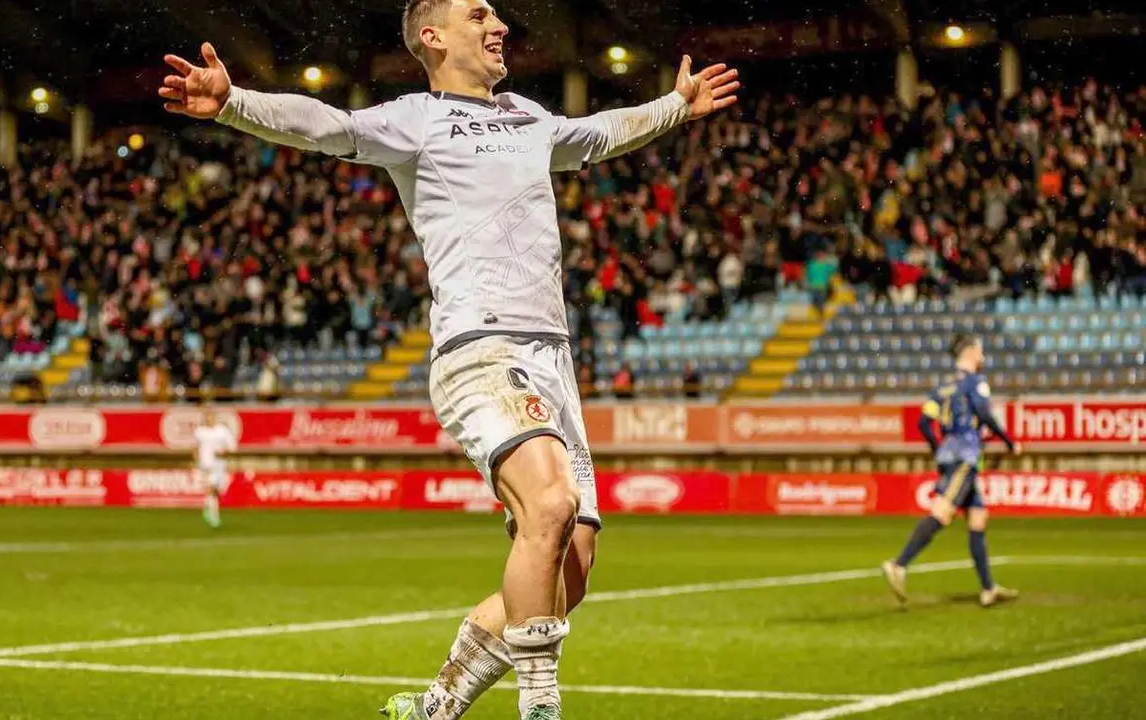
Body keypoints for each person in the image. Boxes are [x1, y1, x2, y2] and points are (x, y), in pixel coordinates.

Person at [158, 3, 739, 716]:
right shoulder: (415, 119)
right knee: (550, 505)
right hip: (479, 344)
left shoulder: (528, 118)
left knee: (573, 564)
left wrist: (675, 107)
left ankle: (439, 703)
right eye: (479, 13)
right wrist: (233, 104)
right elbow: (326, 126)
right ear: (433, 37)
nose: (498, 23)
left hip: (551, 356)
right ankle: (541, 706)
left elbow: (599, 133)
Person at [881, 334, 1022, 608]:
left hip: (949, 453)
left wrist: (939, 449)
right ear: (969, 351)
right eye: (980, 350)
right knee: (942, 511)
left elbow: (923, 423)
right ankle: (899, 564)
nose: (983, 355)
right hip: (965, 456)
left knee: (978, 518)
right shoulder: (976, 382)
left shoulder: (943, 387)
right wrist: (1009, 441)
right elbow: (983, 412)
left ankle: (988, 588)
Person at [192, 408, 237, 529]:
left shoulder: (222, 431)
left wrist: (224, 452)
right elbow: (196, 447)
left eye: (211, 416)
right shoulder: (199, 431)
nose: (209, 419)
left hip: (219, 465)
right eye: (207, 417)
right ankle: (211, 514)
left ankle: (210, 511)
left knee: (216, 492)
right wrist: (196, 460)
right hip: (206, 464)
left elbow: (232, 446)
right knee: (210, 488)